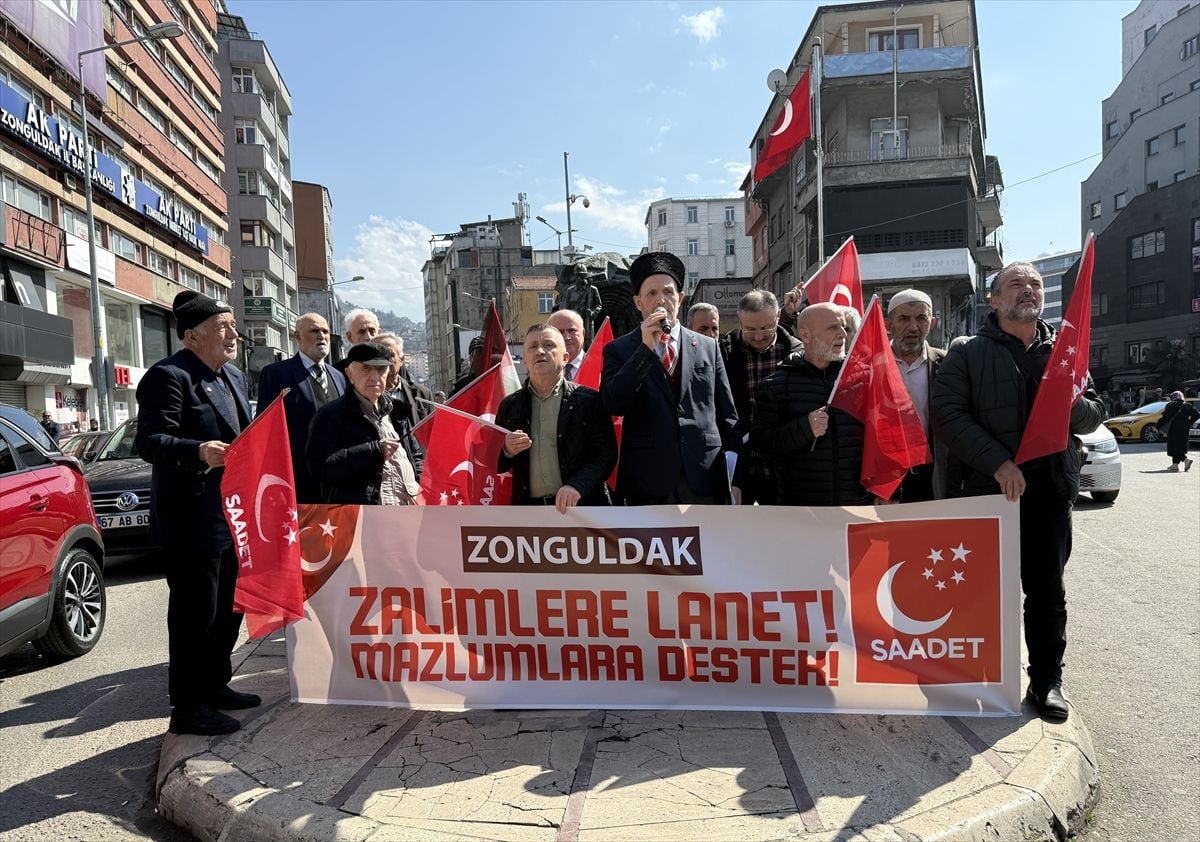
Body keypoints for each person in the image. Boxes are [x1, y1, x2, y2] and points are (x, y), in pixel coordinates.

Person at [931, 261, 1105, 723]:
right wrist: (998, 462)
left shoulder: (1065, 350)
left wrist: (1070, 398)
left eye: (1035, 284)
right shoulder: (967, 353)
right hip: (988, 493)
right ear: (993, 300)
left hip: (1049, 492)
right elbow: (948, 416)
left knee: (1046, 592)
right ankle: (976, 676)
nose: (1028, 290)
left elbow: (1093, 415)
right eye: (1016, 284)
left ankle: (1046, 681)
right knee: (980, 593)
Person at [134, 291, 257, 736]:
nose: (233, 334)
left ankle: (215, 685)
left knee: (229, 608)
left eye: (233, 325)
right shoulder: (169, 377)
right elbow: (149, 441)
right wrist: (199, 451)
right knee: (195, 615)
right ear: (191, 337)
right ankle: (188, 707)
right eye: (222, 327)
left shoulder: (234, 376)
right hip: (191, 518)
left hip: (232, 513)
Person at [600, 251, 739, 504]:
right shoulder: (619, 349)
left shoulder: (708, 346)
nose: (661, 300)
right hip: (648, 479)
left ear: (680, 298)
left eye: (668, 292)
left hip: (704, 475)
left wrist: (737, 476)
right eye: (651, 293)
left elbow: (727, 414)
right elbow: (613, 403)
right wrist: (645, 349)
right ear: (638, 302)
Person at [750, 303, 870, 507]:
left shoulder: (863, 378)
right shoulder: (776, 385)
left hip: (858, 506)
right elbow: (761, 443)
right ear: (806, 335)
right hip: (802, 510)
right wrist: (804, 428)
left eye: (844, 327)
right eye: (833, 327)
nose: (843, 334)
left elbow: (886, 435)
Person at [496, 325, 617, 511]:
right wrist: (507, 450)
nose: (540, 351)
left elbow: (606, 454)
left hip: (583, 509)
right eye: (533, 346)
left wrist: (578, 485)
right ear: (524, 359)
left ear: (565, 357)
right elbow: (492, 462)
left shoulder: (590, 401)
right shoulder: (509, 406)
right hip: (529, 513)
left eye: (549, 345)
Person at [307, 342, 420, 505]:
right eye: (366, 369)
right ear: (350, 374)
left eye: (381, 369)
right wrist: (373, 451)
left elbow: (416, 456)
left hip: (409, 510)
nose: (375, 377)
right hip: (364, 515)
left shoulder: (397, 411)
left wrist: (422, 487)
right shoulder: (330, 415)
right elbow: (320, 466)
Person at [719, 290, 801, 505]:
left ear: (778, 316)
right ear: (739, 320)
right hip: (739, 464)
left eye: (765, 328)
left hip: (784, 466)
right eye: (750, 329)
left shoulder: (797, 354)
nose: (758, 336)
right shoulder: (722, 353)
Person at [255, 313, 346, 503]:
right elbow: (266, 430)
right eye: (314, 331)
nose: (321, 336)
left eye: (325, 331)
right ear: (298, 336)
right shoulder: (277, 374)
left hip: (335, 483)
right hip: (297, 482)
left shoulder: (338, 376)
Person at [885, 289, 945, 502]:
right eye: (904, 319)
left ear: (932, 323)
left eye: (921, 318)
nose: (913, 327)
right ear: (888, 325)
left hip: (934, 475)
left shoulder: (948, 364)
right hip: (886, 475)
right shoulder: (872, 365)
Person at [374, 332, 424, 476]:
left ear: (401, 359)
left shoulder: (422, 395)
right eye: (379, 356)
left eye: (390, 355)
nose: (385, 361)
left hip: (417, 473)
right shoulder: (366, 397)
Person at [556, 267, 602, 339]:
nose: (579, 278)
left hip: (588, 322)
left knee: (589, 341)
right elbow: (567, 308)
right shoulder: (570, 291)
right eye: (577, 275)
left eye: (581, 275)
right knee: (576, 340)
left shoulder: (592, 289)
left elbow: (598, 305)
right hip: (574, 323)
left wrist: (592, 313)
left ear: (585, 276)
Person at [1159, 391, 1197, 472]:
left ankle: (1186, 460)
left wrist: (1158, 426)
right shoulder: (1188, 405)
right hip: (1184, 429)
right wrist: (1189, 422)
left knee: (1174, 446)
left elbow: (1165, 417)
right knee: (1180, 446)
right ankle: (1175, 465)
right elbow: (1197, 415)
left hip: (1173, 429)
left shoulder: (1170, 405)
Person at [548, 309, 587, 381]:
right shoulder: (543, 370)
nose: (566, 337)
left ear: (583, 333)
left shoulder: (599, 367)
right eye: (560, 332)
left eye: (571, 330)